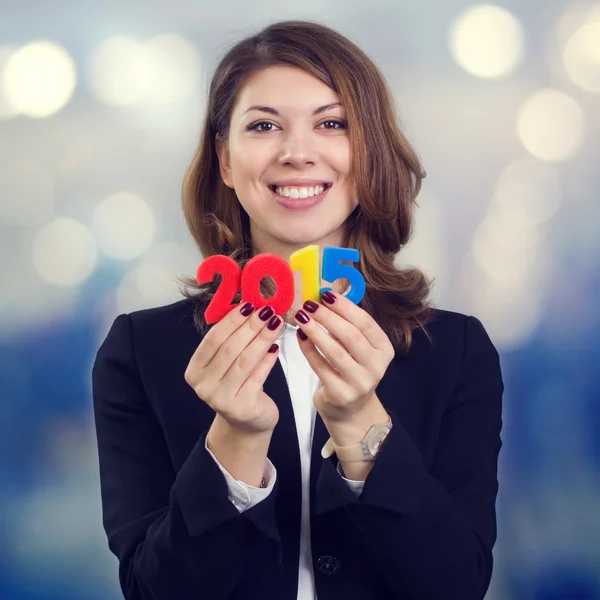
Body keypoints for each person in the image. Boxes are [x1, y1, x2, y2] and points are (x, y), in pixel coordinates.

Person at [92, 19, 504, 600]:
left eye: (331, 123)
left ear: (368, 155)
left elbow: (455, 585)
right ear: (226, 161)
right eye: (263, 126)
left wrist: (361, 418)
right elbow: (154, 590)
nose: (296, 152)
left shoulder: (455, 351)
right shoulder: (141, 350)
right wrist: (236, 438)